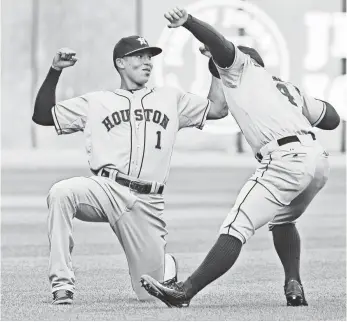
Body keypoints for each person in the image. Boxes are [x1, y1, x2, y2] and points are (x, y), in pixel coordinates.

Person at [140, 7, 341, 308]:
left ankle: (185, 292)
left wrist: (189, 24)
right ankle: (293, 284)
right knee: (283, 221)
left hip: (285, 158)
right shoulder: (287, 88)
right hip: (317, 161)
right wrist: (301, 109)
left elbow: (222, 48)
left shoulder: (242, 69)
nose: (219, 70)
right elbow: (333, 119)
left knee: (236, 226)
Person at [32, 35, 227, 305]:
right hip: (106, 189)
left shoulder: (171, 97)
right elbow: (43, 115)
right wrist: (55, 71)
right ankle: (62, 284)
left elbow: (218, 108)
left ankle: (164, 264)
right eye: (140, 56)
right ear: (120, 63)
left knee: (149, 296)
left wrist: (216, 66)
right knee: (62, 192)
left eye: (150, 57)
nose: (147, 62)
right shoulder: (97, 101)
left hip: (148, 203)